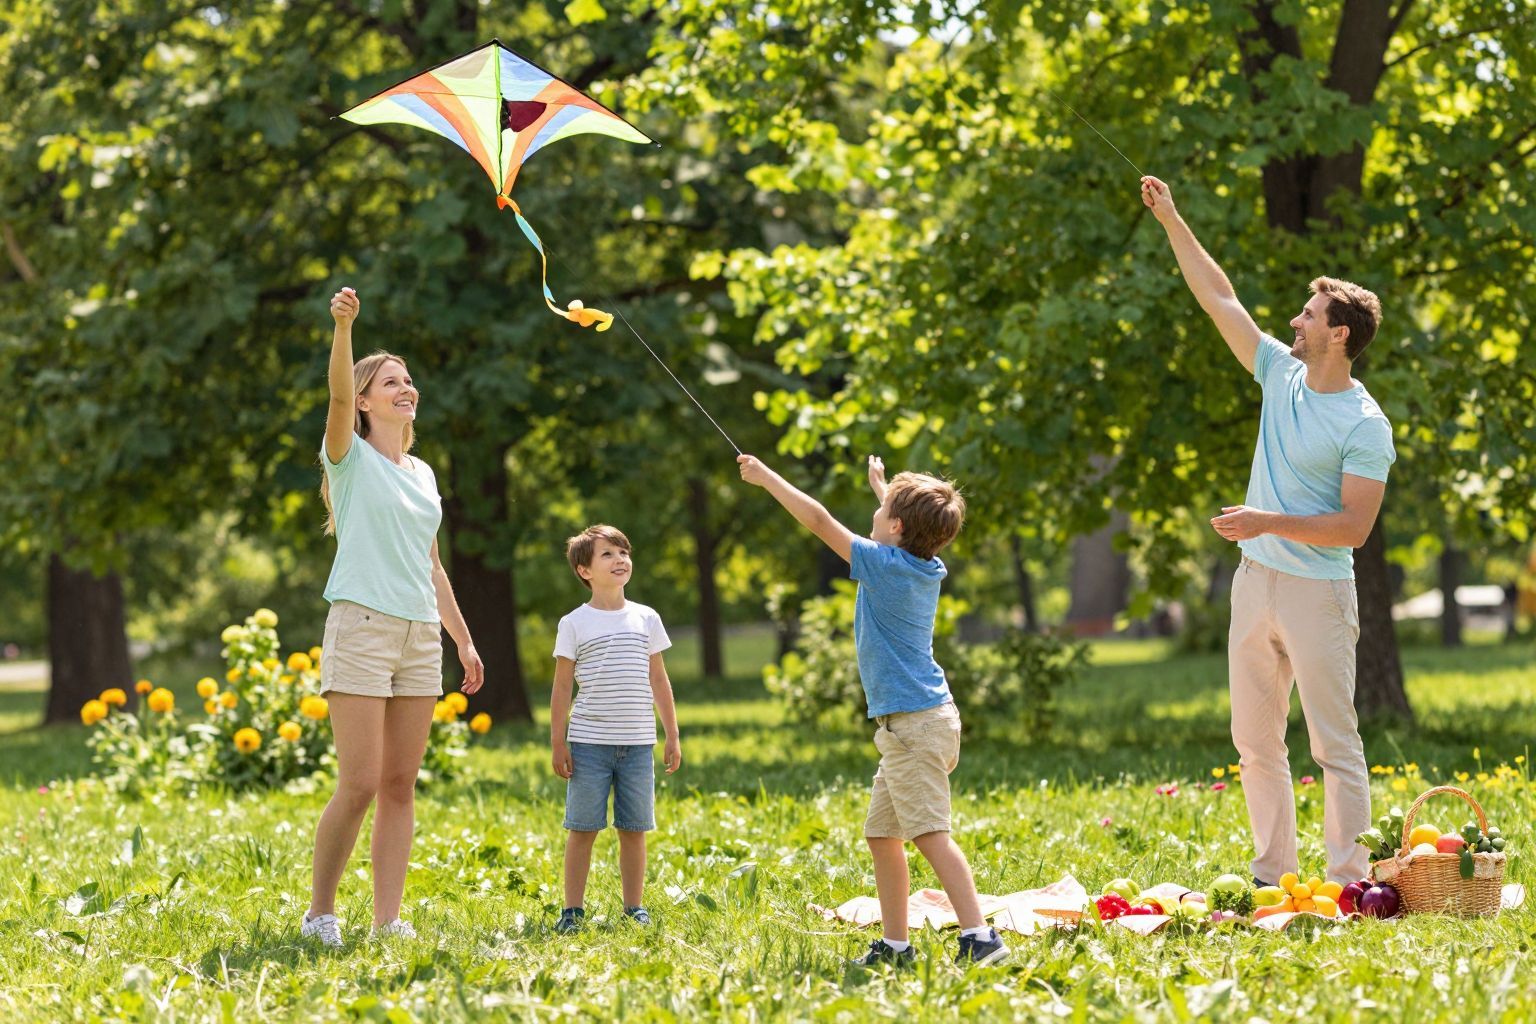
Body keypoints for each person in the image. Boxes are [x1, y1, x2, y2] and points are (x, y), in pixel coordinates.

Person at [1141, 175, 1396, 885]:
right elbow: (1219, 297)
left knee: (1332, 743)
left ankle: (1349, 880)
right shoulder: (1279, 374)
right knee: (1254, 744)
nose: (1295, 322)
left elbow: (1353, 529)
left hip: (1318, 593)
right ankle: (1271, 875)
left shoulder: (1365, 425)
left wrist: (1266, 521)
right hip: (1255, 584)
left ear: (1338, 334)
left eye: (1309, 315)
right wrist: (1172, 218)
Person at [736, 453, 1009, 967]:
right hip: (912, 724)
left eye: (882, 514)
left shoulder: (883, 566)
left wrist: (766, 477)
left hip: (915, 726)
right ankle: (896, 946)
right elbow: (902, 528)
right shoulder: (925, 564)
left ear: (898, 527)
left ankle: (980, 937)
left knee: (930, 834)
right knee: (883, 836)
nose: (874, 519)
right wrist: (886, 492)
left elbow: (818, 520)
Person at [301, 286, 485, 946]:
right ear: (367, 401)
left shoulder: (423, 473)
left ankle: (387, 920)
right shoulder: (348, 461)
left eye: (408, 380)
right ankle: (320, 911)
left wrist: (462, 640)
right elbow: (336, 399)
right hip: (362, 628)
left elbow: (430, 564)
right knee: (359, 783)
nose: (405, 388)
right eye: (390, 381)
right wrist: (344, 327)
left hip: (416, 635)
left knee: (401, 783)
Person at [549, 525, 681, 933]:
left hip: (638, 745)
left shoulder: (646, 618)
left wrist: (672, 734)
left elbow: (659, 680)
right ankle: (572, 911)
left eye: (623, 552)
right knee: (583, 829)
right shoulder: (574, 623)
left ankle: (634, 907)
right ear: (584, 570)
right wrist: (558, 741)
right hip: (589, 744)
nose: (620, 559)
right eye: (607, 554)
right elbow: (562, 685)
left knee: (634, 829)